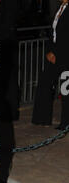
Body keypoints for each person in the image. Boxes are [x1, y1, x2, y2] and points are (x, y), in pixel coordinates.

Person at [32, 0, 69, 129]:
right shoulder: (60, 8)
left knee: (66, 90)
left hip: (65, 57)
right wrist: (50, 51)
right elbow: (53, 33)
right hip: (54, 53)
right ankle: (41, 118)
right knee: (44, 82)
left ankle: (66, 123)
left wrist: (56, 53)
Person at [0, 0, 20, 121]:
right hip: (0, 46)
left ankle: (10, 113)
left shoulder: (9, 3)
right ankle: (4, 111)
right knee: (2, 81)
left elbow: (7, 24)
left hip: (5, 47)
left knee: (8, 81)